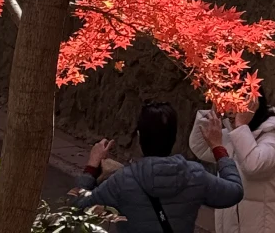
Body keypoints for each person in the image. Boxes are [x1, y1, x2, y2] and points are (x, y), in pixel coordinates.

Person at [72, 100, 243, 233]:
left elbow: (77, 207)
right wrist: (217, 147)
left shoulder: (122, 180)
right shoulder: (194, 175)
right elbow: (235, 191)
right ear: (174, 137)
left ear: (139, 136)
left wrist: (92, 164)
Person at [190, 90, 275, 233]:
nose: (231, 118)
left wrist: (241, 125)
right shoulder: (236, 134)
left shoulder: (274, 137)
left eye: (236, 112)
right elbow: (200, 147)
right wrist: (213, 114)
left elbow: (254, 167)